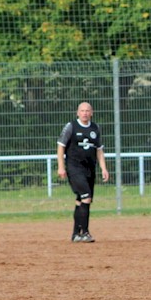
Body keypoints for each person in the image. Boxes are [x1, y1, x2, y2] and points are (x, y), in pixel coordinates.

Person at [57, 102, 109, 243]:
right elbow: (61, 147)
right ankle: (85, 233)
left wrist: (103, 168)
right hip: (74, 168)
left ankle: (75, 234)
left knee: (81, 200)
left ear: (91, 112)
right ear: (77, 112)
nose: (85, 113)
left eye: (87, 111)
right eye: (82, 110)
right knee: (86, 197)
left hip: (89, 169)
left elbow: (99, 150)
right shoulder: (71, 126)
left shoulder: (95, 128)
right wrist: (61, 167)